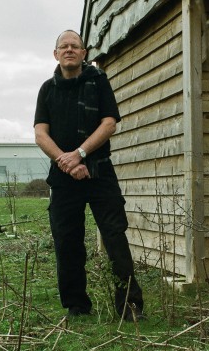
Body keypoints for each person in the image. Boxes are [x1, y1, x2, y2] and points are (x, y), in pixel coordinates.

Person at [33, 30, 144, 321]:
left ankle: (130, 307)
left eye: (75, 46)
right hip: (62, 176)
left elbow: (109, 124)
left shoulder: (98, 82)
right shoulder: (47, 89)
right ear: (55, 54)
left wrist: (80, 154)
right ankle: (77, 307)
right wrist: (65, 161)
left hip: (100, 173)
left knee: (115, 237)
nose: (69, 50)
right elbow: (40, 133)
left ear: (84, 54)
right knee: (67, 242)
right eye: (63, 46)